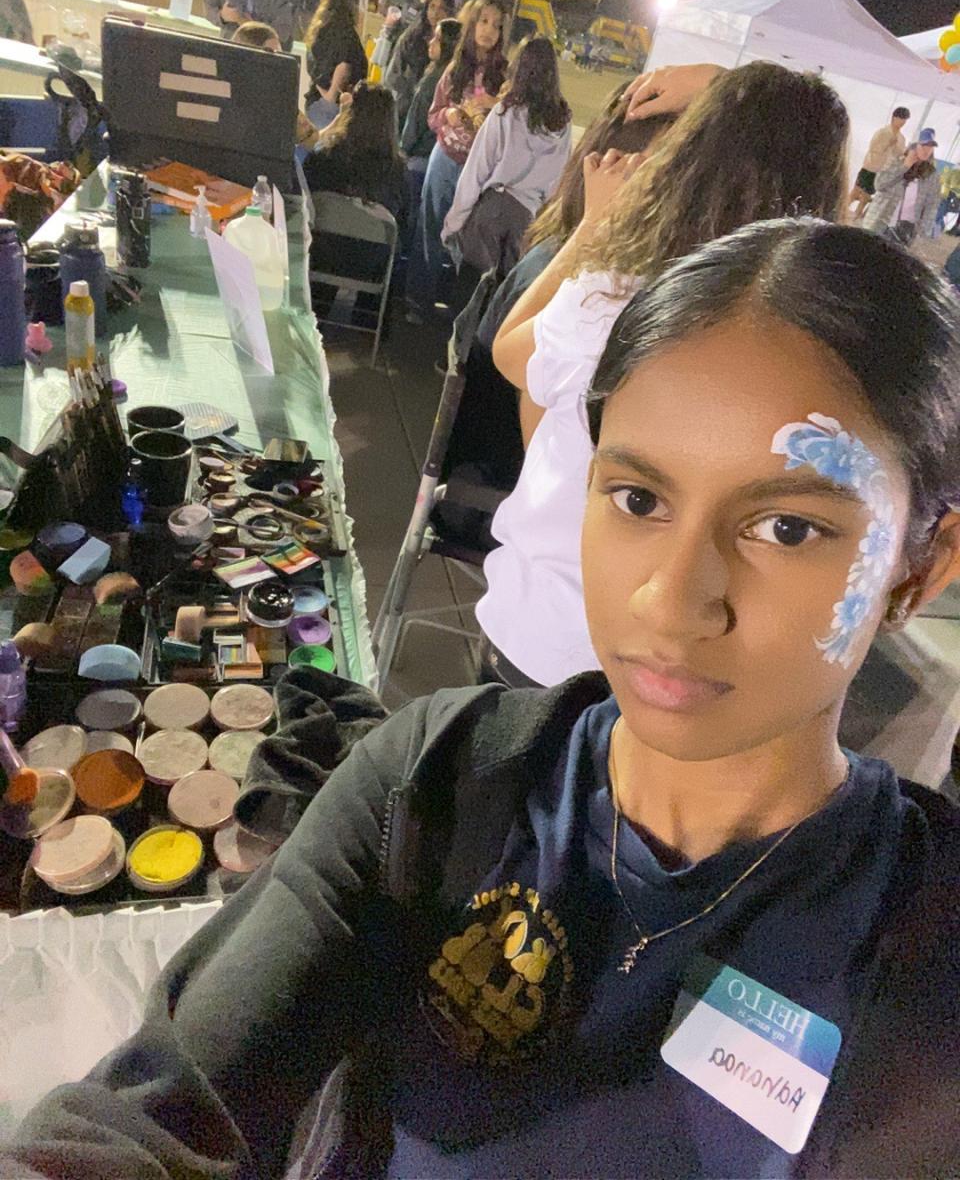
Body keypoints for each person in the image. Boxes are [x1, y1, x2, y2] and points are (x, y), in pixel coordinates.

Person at [7, 219, 960, 1180]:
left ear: (920, 568)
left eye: (787, 527)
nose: (670, 600)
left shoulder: (928, 956)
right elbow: (160, 1108)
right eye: (637, 499)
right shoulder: (438, 780)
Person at [486, 62, 849, 687]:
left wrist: (594, 226)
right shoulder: (813, 349)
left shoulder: (611, 299)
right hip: (686, 663)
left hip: (545, 631)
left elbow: (510, 352)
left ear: (689, 163)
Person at [474, 84, 676, 351]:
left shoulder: (597, 262)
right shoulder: (560, 268)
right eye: (662, 166)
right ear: (611, 162)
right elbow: (506, 357)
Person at [441, 35, 572, 291]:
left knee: (469, 294)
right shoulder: (562, 123)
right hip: (527, 221)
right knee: (501, 300)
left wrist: (453, 223)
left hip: (493, 212)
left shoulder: (505, 112)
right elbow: (558, 184)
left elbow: (476, 171)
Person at [406, 0, 507, 321]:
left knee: (469, 239)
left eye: (496, 25)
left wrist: (495, 105)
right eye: (483, 21)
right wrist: (450, 114)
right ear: (472, 23)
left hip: (480, 169)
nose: (489, 30)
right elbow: (432, 116)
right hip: (445, 158)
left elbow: (510, 122)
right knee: (430, 228)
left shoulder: (503, 76)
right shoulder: (455, 68)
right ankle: (418, 302)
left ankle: (460, 314)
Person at [302, 81, 407, 324]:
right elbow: (403, 222)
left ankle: (316, 312)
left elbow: (305, 204)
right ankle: (368, 322)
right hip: (370, 264)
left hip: (322, 254)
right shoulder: (398, 171)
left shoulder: (322, 158)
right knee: (392, 247)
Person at [400, 15, 462, 245]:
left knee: (415, 225)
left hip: (421, 161)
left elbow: (414, 125)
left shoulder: (434, 80)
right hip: (443, 163)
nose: (430, 43)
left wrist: (401, 153)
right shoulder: (458, 77)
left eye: (437, 38)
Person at [384, 0, 457, 129]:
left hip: (432, 113)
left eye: (442, 8)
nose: (435, 13)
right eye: (432, 6)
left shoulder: (453, 45)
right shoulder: (412, 36)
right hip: (404, 106)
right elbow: (393, 73)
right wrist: (409, 92)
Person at [304, 0, 368, 131]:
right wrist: (331, 96)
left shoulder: (321, 28)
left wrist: (323, 91)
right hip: (333, 108)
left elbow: (313, 64)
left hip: (316, 102)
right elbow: (344, 65)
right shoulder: (346, 33)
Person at [862, 128, 940, 246]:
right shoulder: (895, 161)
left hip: (905, 229)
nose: (927, 150)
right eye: (924, 145)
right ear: (914, 146)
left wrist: (924, 229)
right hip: (880, 221)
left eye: (931, 147)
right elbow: (879, 185)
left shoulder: (931, 174)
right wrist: (905, 166)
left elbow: (932, 203)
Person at [848, 106, 909, 218]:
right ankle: (838, 210)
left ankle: (856, 217)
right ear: (894, 117)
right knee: (855, 192)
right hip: (870, 168)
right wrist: (888, 144)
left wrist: (903, 154)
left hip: (883, 172)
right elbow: (873, 149)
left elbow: (899, 155)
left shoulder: (901, 138)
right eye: (901, 118)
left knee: (866, 197)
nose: (903, 122)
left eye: (905, 120)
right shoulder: (882, 132)